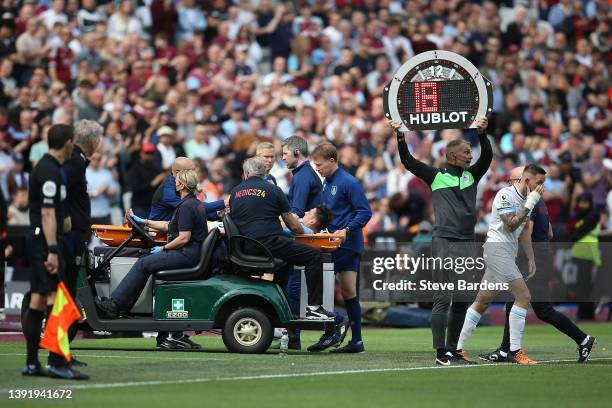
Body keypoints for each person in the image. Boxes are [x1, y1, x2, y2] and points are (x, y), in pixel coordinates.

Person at [390, 117, 491, 365]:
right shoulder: (436, 176)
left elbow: (486, 157)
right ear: (453, 156)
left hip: (467, 243)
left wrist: (482, 135)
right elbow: (408, 161)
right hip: (444, 242)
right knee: (443, 298)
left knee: (462, 299)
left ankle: (454, 350)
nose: (471, 156)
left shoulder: (472, 176)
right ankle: (440, 352)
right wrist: (401, 137)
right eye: (466, 152)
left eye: (471, 151)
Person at [480, 167, 596, 363]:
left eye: (513, 180)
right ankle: (504, 349)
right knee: (515, 301)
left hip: (532, 256)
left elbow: (527, 229)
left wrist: (526, 256)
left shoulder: (529, 200)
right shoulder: (540, 201)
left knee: (542, 309)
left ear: (524, 180)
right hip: (543, 253)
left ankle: (583, 339)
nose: (511, 185)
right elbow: (549, 232)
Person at [456, 164, 547, 365]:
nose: (542, 187)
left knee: (482, 301)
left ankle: (456, 347)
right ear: (527, 180)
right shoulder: (505, 195)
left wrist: (530, 257)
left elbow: (523, 231)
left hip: (507, 252)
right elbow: (511, 223)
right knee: (523, 296)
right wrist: (531, 202)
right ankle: (515, 351)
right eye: (539, 182)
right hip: (496, 250)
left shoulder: (527, 200)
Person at [22, 124, 89, 380]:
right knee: (56, 300)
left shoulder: (48, 167)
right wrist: (52, 249)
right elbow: (47, 213)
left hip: (40, 240)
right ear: (69, 142)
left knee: (40, 299)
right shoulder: (49, 171)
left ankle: (31, 363)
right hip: (46, 244)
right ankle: (57, 361)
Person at [229, 157, 334, 321]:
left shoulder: (235, 192)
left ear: (246, 173)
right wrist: (313, 236)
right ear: (265, 173)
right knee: (314, 256)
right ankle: (314, 308)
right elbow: (294, 227)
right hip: (268, 244)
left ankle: (278, 306)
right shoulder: (274, 190)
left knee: (286, 262)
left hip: (243, 247)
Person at [95, 168, 208, 317]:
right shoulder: (193, 203)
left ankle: (116, 304)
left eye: (176, 181)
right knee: (145, 261)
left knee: (143, 263)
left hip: (186, 254)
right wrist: (144, 222)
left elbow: (183, 238)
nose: (174, 184)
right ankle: (122, 306)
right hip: (190, 252)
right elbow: (169, 225)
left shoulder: (186, 206)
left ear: (182, 186)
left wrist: (164, 249)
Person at [148, 156, 226, 350]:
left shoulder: (187, 199)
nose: (196, 173)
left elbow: (196, 213)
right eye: (192, 170)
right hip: (169, 242)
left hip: (175, 242)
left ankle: (174, 334)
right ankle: (170, 334)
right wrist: (223, 203)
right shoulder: (173, 193)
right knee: (172, 284)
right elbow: (192, 215)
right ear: (178, 175)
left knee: (175, 285)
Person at [310, 143, 372, 353]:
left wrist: (346, 229)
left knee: (343, 292)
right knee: (344, 291)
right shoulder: (327, 182)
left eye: (319, 165)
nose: (317, 168)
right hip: (331, 244)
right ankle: (344, 336)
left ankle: (351, 338)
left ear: (332, 161)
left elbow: (364, 212)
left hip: (346, 245)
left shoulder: (349, 182)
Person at [61, 119, 103, 368]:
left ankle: (61, 350)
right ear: (94, 141)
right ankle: (60, 351)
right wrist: (66, 221)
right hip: (70, 237)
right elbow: (60, 193)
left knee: (66, 295)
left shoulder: (77, 161)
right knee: (64, 295)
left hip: (74, 236)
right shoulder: (75, 163)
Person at [278, 135, 324, 349]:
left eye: (285, 154)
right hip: (305, 238)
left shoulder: (303, 176)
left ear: (297, 152)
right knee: (291, 287)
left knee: (293, 289)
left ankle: (294, 336)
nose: (282, 158)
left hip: (302, 240)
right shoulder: (303, 174)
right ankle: (292, 335)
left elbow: (295, 214)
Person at [569, 192, 601, 320]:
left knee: (584, 286)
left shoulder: (592, 215)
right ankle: (587, 314)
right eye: (580, 202)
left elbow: (577, 233)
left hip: (588, 254)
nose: (582, 205)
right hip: (581, 254)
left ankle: (584, 314)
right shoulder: (582, 215)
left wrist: (573, 236)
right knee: (583, 286)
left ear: (590, 203)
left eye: (584, 202)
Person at [128, 143, 166, 217]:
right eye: (147, 153)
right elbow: (134, 187)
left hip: (152, 206)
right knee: (140, 228)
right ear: (141, 153)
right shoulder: (135, 169)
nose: (149, 156)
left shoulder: (155, 168)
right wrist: (151, 184)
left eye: (151, 153)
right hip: (139, 206)